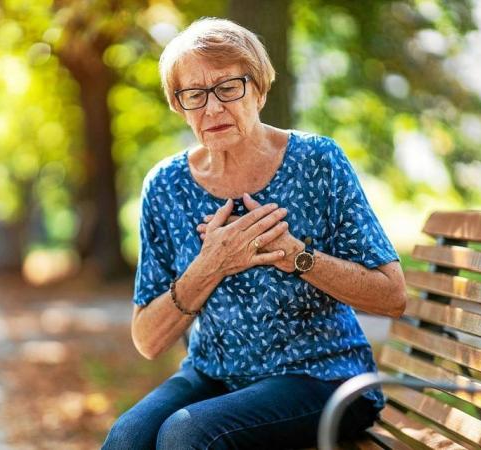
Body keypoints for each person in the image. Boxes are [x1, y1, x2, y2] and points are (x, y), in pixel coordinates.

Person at [102, 18, 406, 450]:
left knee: (187, 433)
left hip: (322, 376)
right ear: (179, 105)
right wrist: (210, 266)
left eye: (229, 87)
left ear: (259, 89)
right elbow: (148, 339)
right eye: (195, 94)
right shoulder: (166, 185)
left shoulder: (317, 161)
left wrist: (296, 257)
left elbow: (392, 296)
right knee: (127, 437)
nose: (212, 108)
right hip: (214, 374)